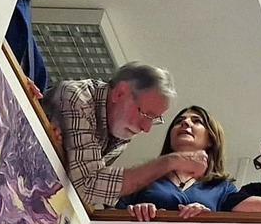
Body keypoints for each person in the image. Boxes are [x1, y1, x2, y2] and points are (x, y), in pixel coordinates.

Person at [51, 63, 194, 212]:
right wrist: (168, 162)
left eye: (154, 119)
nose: (146, 128)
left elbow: (87, 193)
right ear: (119, 93)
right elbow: (86, 184)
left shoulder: (121, 133)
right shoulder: (78, 98)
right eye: (145, 114)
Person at [117, 105, 238, 220]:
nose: (185, 122)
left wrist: (206, 217)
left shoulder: (224, 188)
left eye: (197, 121)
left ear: (211, 140)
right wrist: (134, 212)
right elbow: (113, 216)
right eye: (179, 121)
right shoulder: (143, 177)